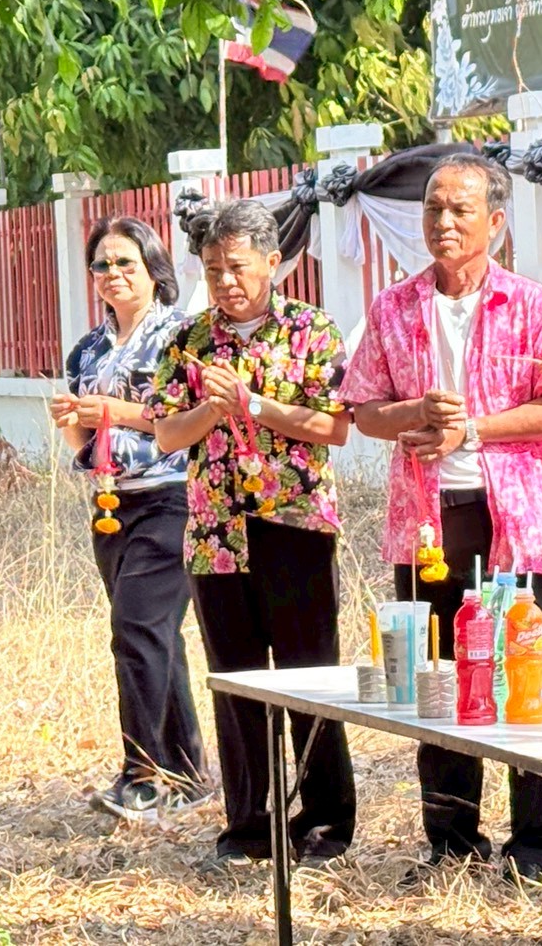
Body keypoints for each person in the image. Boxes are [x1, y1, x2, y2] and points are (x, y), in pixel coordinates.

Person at [340, 153, 542, 883]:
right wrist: (413, 413)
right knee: (435, 678)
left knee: (521, 677)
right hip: (427, 523)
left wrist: (472, 430)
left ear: (494, 222)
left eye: (460, 209)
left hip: (513, 519)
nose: (442, 222)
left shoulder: (532, 306)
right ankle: (451, 843)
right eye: (433, 208)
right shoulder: (393, 307)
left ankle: (535, 850)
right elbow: (363, 408)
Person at [147, 198, 357, 867]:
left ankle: (325, 821)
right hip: (215, 532)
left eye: (237, 267)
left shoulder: (310, 330)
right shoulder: (188, 341)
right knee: (236, 682)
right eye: (212, 270)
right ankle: (247, 827)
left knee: (309, 676)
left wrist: (255, 404)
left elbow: (335, 426)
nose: (225, 282)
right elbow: (162, 435)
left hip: (293, 524)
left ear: (273, 261)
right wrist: (211, 407)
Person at [48, 217, 208, 821]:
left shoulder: (182, 337)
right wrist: (76, 415)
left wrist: (116, 408)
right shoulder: (87, 348)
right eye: (101, 265)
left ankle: (142, 774)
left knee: (135, 629)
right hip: (112, 502)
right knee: (154, 635)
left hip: (173, 495)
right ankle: (190, 772)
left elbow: (191, 415)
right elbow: (79, 440)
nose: (112, 275)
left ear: (153, 271)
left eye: (125, 264)